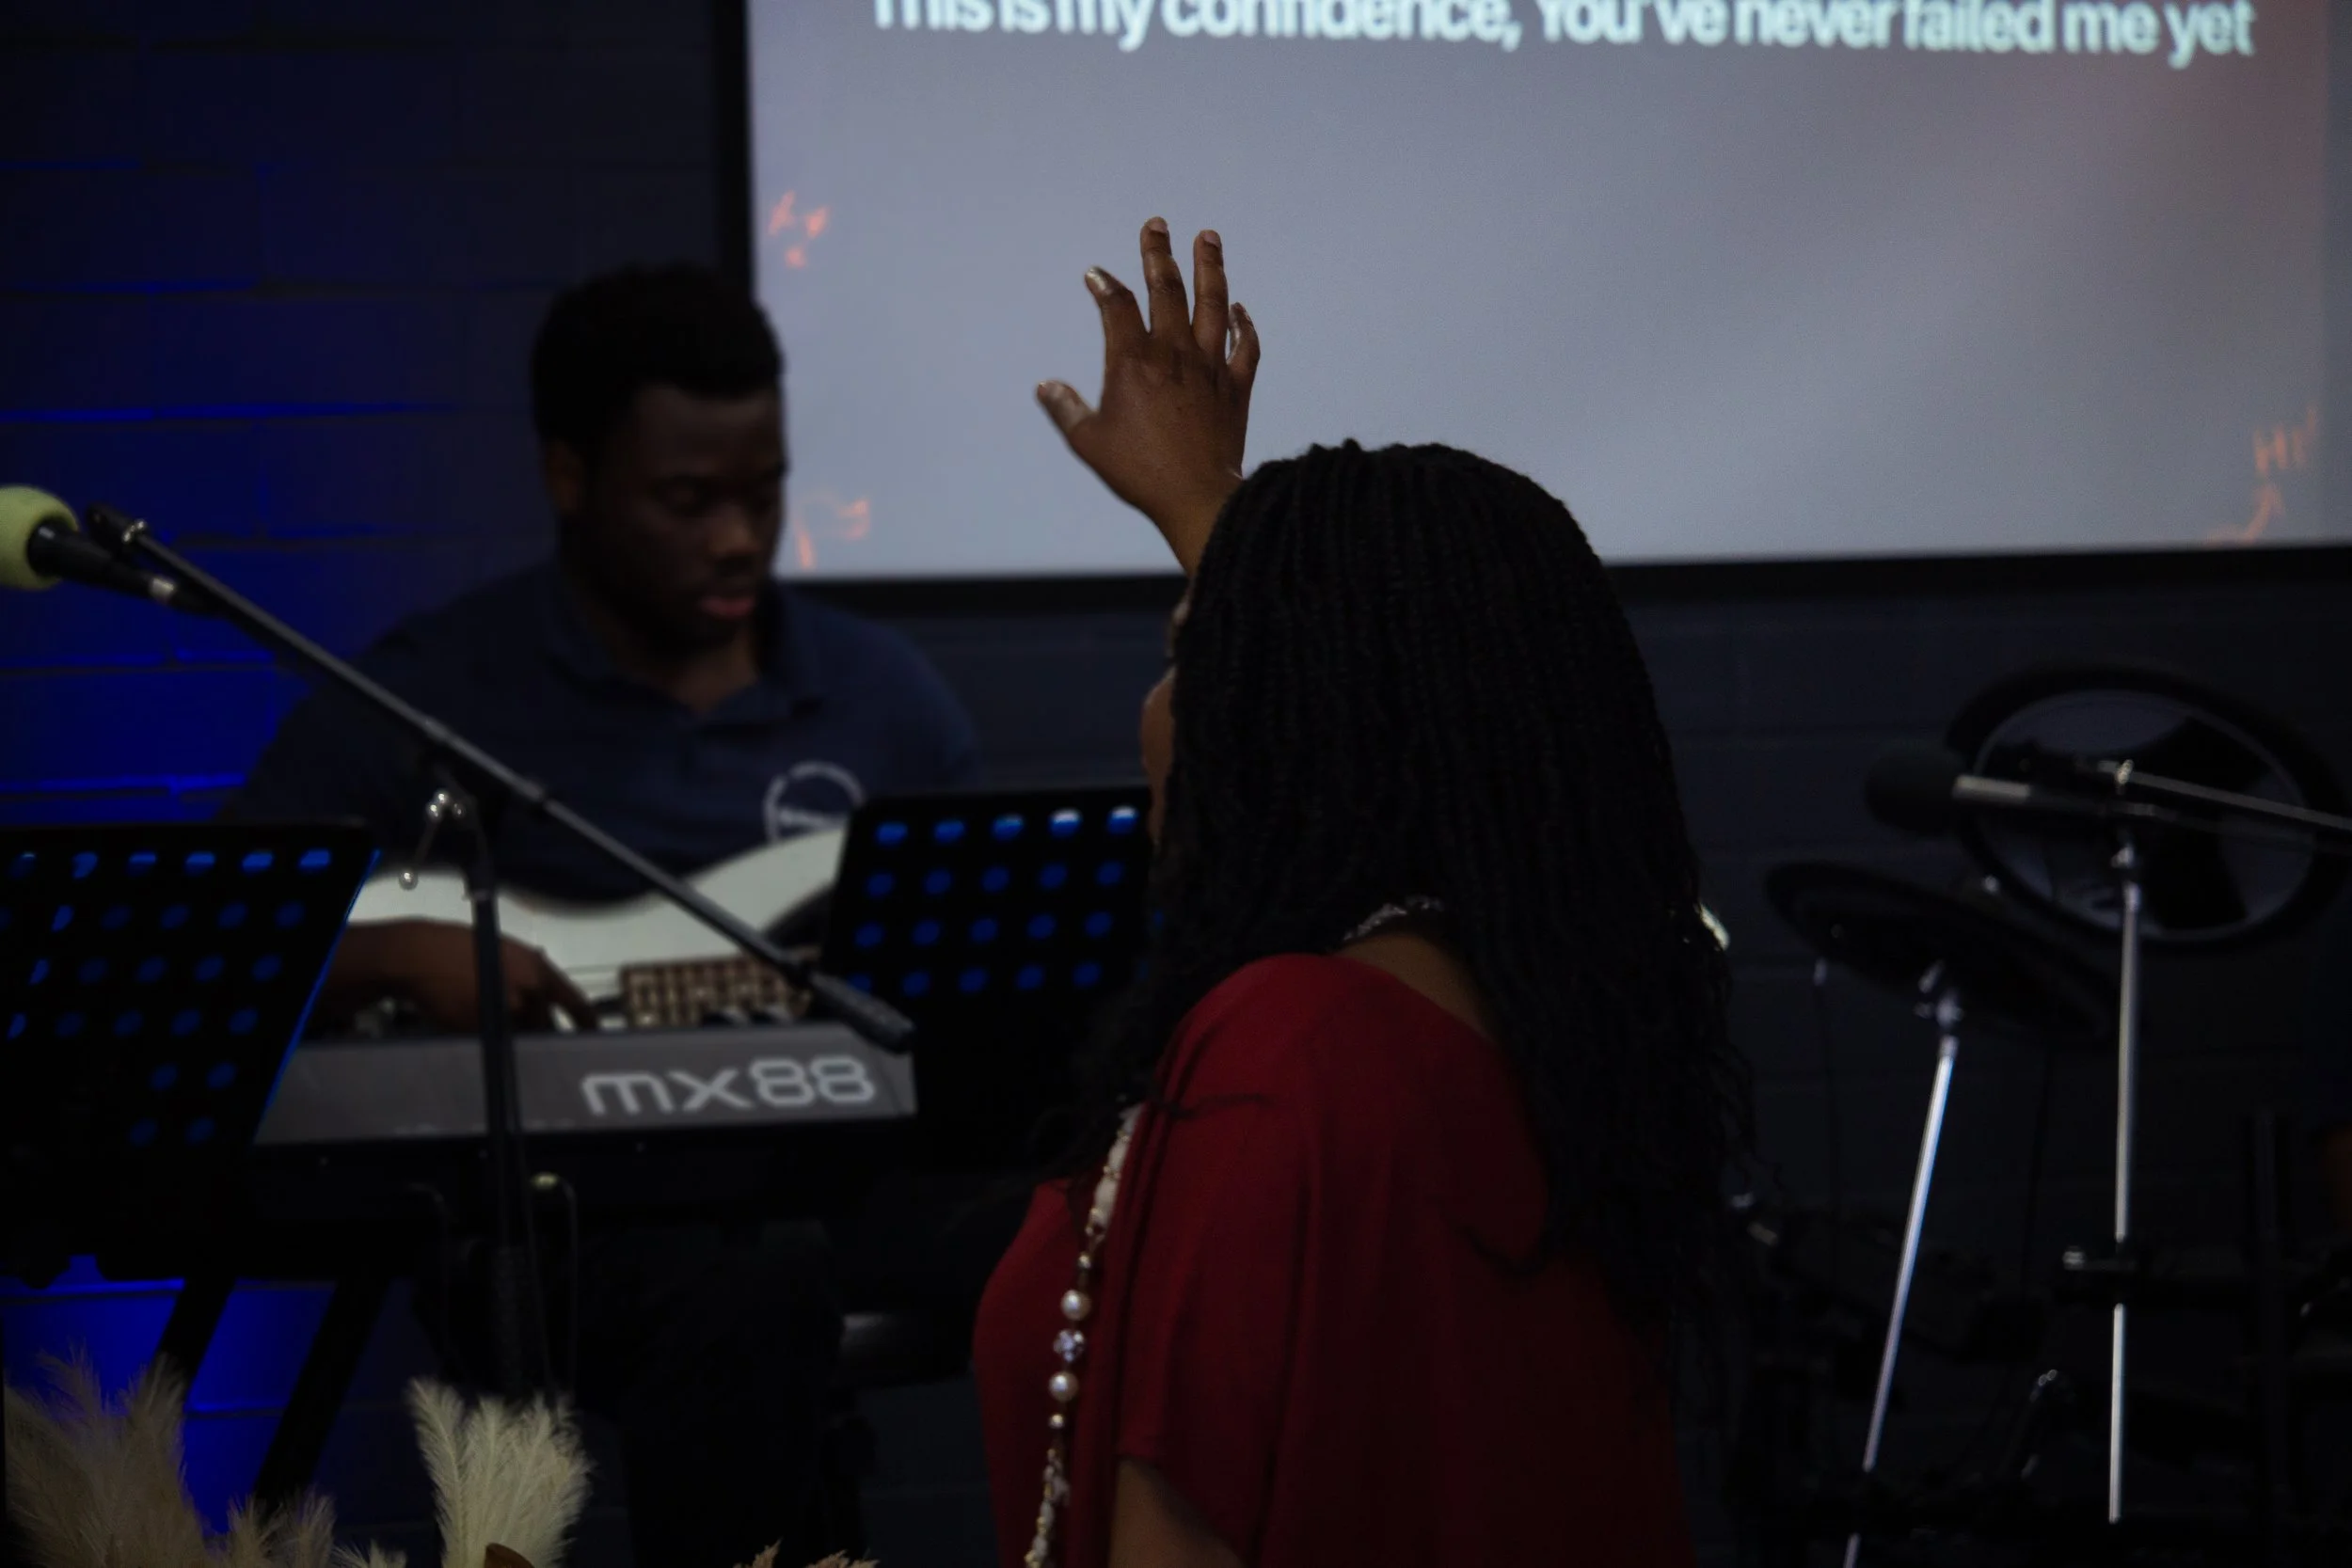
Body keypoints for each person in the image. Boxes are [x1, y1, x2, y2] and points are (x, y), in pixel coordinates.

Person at [973, 220, 1748, 1567]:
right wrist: (1212, 508)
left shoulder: (1286, 1049)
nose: (1158, 712)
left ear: (1281, 713)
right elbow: (1396, 667)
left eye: (1194, 658)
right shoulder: (1554, 1033)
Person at [230, 264, 979, 1568]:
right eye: (689, 502)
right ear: (569, 476)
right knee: (754, 1283)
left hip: (844, 1177)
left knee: (1120, 1221)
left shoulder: (883, 697)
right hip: (568, 1220)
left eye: (764, 492)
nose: (739, 538)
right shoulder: (440, 691)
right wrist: (394, 953)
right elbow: (228, 925)